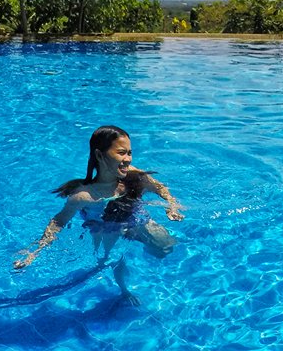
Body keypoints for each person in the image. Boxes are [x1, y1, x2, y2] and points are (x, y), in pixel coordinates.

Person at [13, 125, 183, 304]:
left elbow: (160, 188)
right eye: (121, 153)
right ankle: (124, 291)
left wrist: (173, 206)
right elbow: (59, 220)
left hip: (133, 218)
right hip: (104, 229)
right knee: (110, 260)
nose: (127, 159)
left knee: (166, 246)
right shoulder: (84, 196)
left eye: (129, 153)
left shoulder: (133, 176)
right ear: (100, 155)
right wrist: (34, 251)